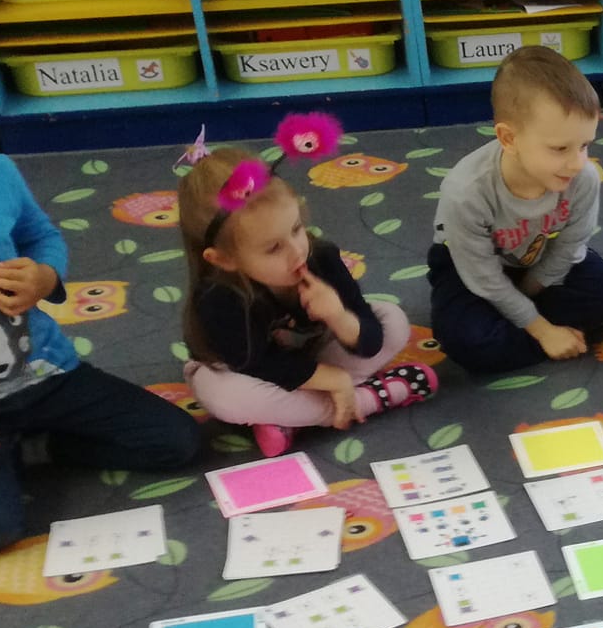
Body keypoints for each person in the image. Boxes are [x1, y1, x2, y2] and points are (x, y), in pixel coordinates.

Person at [0, 151, 201, 557]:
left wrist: (44, 277)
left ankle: (36, 448)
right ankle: (10, 454)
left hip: (51, 374)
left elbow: (41, 237)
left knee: (177, 441)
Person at [179, 132, 437, 459]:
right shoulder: (218, 297)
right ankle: (367, 399)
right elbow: (259, 365)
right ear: (224, 259)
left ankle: (291, 419)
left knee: (394, 321)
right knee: (223, 397)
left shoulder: (321, 257)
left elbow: (370, 339)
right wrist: (335, 380)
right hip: (245, 372)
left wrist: (339, 317)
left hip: (311, 358)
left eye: (296, 229)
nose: (297, 251)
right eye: (273, 248)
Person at [428, 45, 603, 373]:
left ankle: (514, 327)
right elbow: (483, 279)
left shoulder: (582, 177)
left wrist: (528, 294)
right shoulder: (465, 192)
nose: (576, 163)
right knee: (466, 341)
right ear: (508, 139)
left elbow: (569, 247)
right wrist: (543, 330)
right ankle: (542, 331)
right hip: (469, 266)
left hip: (537, 255)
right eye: (560, 148)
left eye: (584, 145)